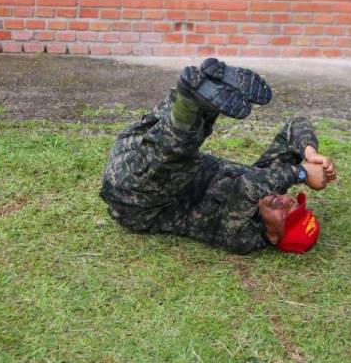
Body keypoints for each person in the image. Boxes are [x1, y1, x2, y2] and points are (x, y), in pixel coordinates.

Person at [100, 58, 336, 254]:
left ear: (274, 236)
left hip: (135, 198)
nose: (284, 201)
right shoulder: (272, 189)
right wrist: (310, 153)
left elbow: (246, 187)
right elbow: (295, 126)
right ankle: (205, 87)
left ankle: (193, 100)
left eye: (285, 215)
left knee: (178, 156)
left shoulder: (244, 237)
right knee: (173, 136)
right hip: (139, 149)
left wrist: (301, 173)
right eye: (293, 202)